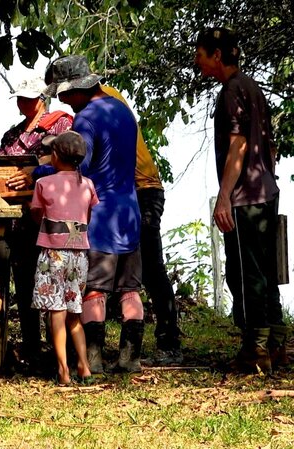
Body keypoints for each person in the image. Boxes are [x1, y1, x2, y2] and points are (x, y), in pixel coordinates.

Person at [193, 27, 285, 373]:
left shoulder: (232, 90)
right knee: (265, 270)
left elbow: (239, 144)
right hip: (266, 192)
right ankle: (276, 343)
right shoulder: (252, 87)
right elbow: (269, 146)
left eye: (200, 54)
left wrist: (224, 198)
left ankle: (254, 350)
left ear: (217, 55)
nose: (197, 62)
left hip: (246, 197)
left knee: (245, 274)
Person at [46, 55, 144, 373]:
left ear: (77, 89)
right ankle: (130, 358)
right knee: (130, 288)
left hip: (100, 217)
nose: (62, 100)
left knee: (94, 289)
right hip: (129, 213)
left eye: (64, 94)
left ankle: (94, 359)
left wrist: (39, 171)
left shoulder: (86, 117)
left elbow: (78, 166)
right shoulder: (122, 110)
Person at [99, 85, 183, 366]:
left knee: (150, 268)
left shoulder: (104, 101)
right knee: (133, 271)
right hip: (132, 191)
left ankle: (169, 343)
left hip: (141, 190)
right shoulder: (105, 98)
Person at [0, 75, 72, 369]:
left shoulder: (60, 125)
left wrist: (34, 172)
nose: (22, 102)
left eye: (28, 97)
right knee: (25, 284)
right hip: (18, 221)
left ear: (41, 99)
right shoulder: (11, 135)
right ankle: (32, 349)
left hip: (50, 219)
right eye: (19, 97)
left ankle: (59, 352)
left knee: (55, 284)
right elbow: (0, 168)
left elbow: (69, 159)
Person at [30, 131, 98, 384]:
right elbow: (88, 216)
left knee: (56, 312)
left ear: (56, 156)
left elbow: (36, 213)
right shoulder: (87, 185)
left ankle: (63, 370)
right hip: (79, 256)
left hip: (53, 254)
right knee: (74, 314)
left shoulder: (43, 184)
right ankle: (84, 367)